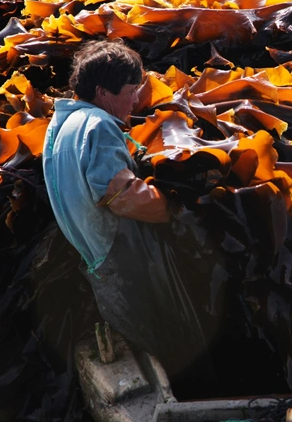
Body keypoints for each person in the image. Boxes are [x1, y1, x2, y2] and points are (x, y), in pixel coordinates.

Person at [43, 40, 212, 380]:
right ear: (103, 91)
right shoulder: (99, 126)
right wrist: (176, 210)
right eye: (131, 91)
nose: (136, 100)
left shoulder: (60, 125)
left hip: (94, 259)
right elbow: (122, 197)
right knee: (168, 341)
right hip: (120, 257)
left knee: (141, 337)